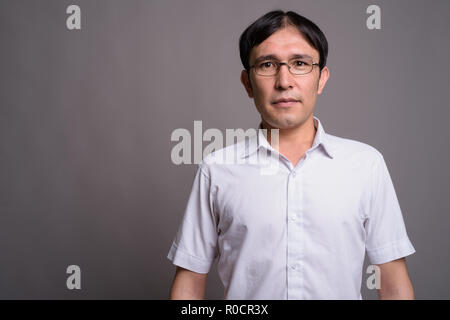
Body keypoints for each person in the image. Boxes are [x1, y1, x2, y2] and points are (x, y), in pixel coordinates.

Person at [167, 10, 416, 300]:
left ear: (321, 79)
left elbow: (393, 283)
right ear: (247, 83)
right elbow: (189, 281)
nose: (284, 81)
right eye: (268, 64)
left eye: (300, 63)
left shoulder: (366, 165)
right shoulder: (217, 168)